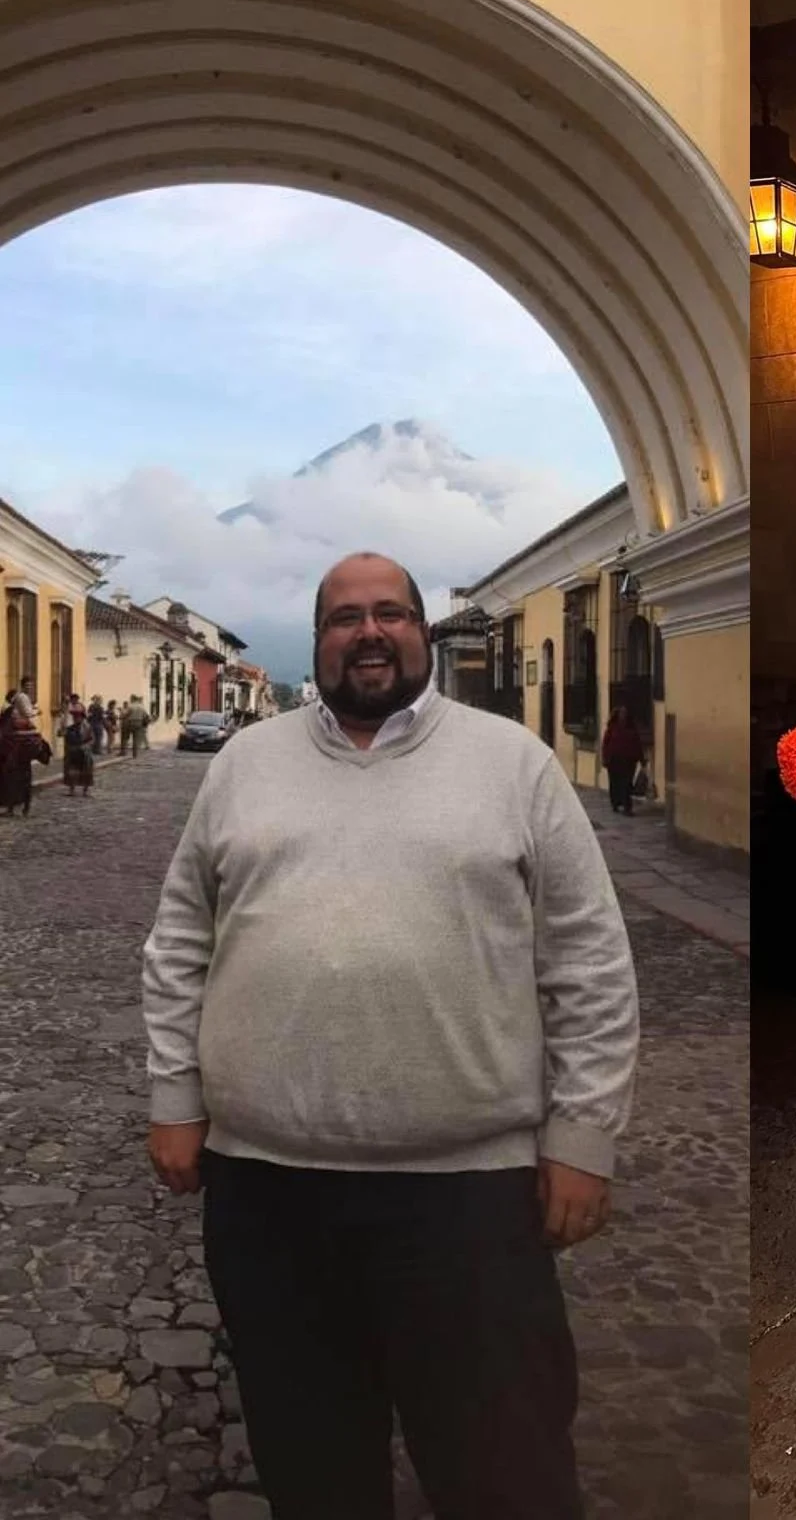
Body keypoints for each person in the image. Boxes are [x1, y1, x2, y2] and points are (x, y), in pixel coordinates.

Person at [141, 551, 639, 1520]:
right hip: (268, 1194)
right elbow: (179, 940)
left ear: (422, 630)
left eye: (390, 613)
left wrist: (583, 1137)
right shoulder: (244, 765)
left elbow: (587, 956)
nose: (368, 632)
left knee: (505, 1471)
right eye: (344, 618)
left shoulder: (514, 765)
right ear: (317, 640)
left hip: (469, 1200)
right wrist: (174, 1097)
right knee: (312, 1465)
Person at [0, 698, 52, 817]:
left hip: (14, 759)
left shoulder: (13, 719)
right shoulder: (26, 720)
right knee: (25, 783)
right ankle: (25, 809)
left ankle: (12, 808)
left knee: (12, 783)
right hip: (24, 758)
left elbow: (6, 736)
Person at [600, 704, 643, 815]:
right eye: (622, 713)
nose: (623, 715)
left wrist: (641, 758)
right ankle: (615, 803)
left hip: (629, 760)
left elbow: (637, 744)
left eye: (625, 713)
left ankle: (627, 807)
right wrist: (605, 758)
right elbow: (605, 744)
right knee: (615, 783)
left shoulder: (632, 728)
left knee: (627, 784)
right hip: (614, 760)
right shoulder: (612, 728)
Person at [62, 696, 94, 797]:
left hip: (84, 751)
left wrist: (86, 746)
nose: (76, 718)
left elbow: (91, 739)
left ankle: (86, 790)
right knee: (71, 771)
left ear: (82, 717)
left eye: (78, 717)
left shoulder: (87, 727)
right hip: (72, 751)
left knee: (87, 771)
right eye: (75, 717)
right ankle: (72, 789)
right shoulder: (70, 728)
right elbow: (62, 733)